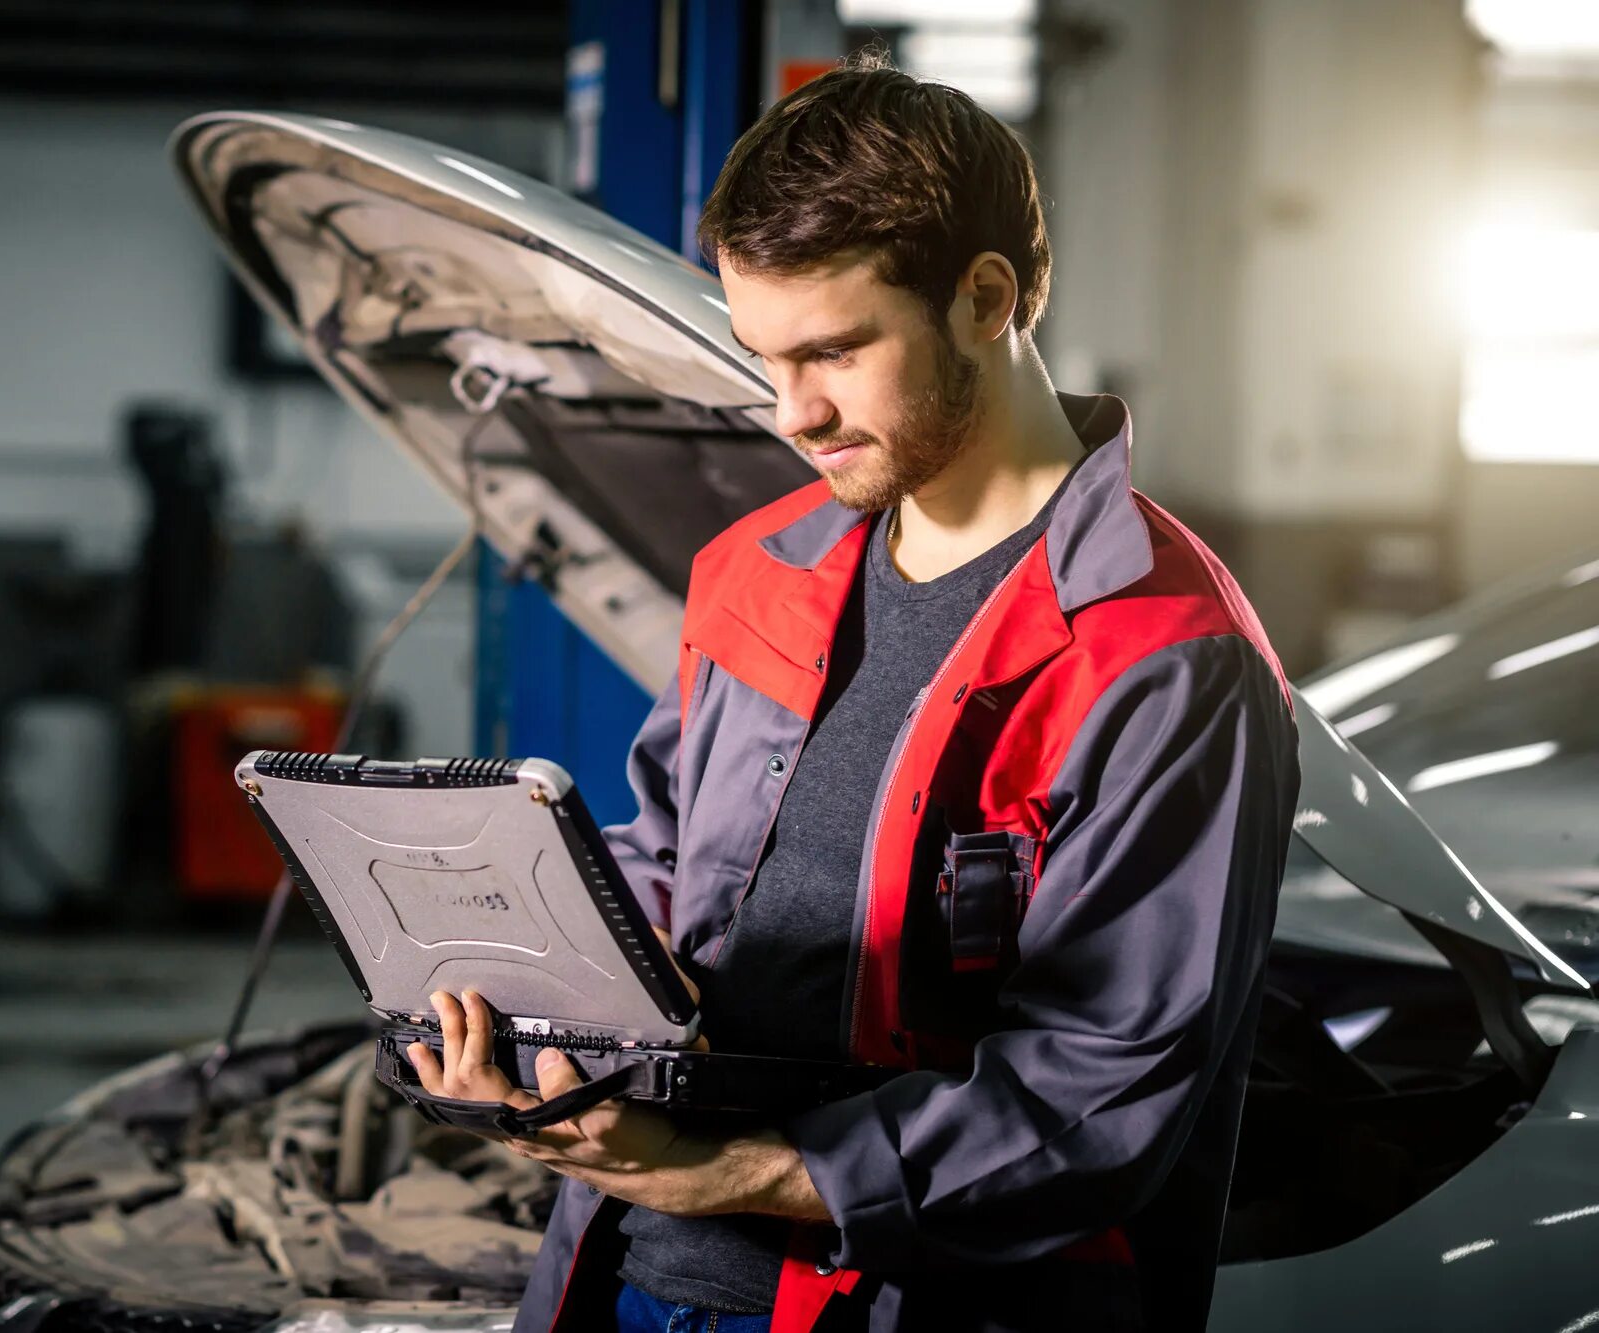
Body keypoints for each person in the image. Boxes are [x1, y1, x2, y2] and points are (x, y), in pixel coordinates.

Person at [406, 53, 1302, 1333]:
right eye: (762, 355)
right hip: (636, 1285)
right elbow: (665, 873)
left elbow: (1099, 1094)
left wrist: (737, 1174)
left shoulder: (1159, 656)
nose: (790, 410)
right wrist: (544, 991)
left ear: (984, 298)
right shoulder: (752, 574)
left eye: (831, 350)